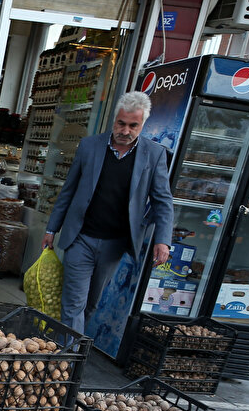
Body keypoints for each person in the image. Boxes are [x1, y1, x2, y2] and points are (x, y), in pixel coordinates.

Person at [43, 91, 174, 335]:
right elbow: (68, 190)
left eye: (133, 126)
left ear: (142, 124)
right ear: (114, 120)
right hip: (80, 237)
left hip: (115, 243)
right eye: (121, 123)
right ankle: (67, 362)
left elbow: (162, 200)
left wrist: (163, 240)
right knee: (73, 303)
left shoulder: (154, 154)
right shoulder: (90, 146)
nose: (125, 131)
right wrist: (52, 228)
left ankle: (71, 349)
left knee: (91, 303)